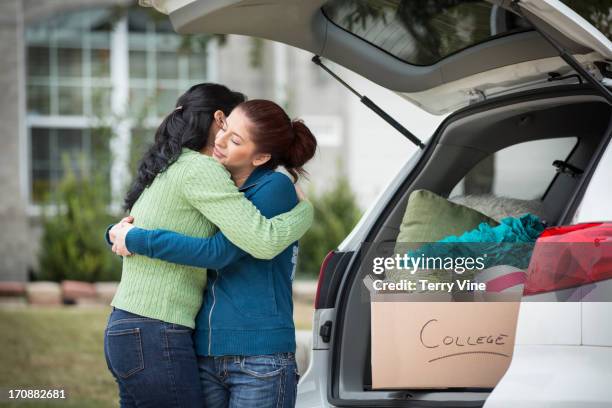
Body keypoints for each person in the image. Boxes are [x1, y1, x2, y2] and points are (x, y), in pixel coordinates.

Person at [103, 86, 314, 408]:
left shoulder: (267, 185)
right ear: (218, 120)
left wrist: (127, 236)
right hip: (173, 335)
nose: (221, 140)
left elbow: (225, 251)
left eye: (236, 139)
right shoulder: (206, 173)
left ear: (260, 157)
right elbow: (172, 224)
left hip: (245, 351)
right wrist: (305, 213)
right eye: (225, 129)